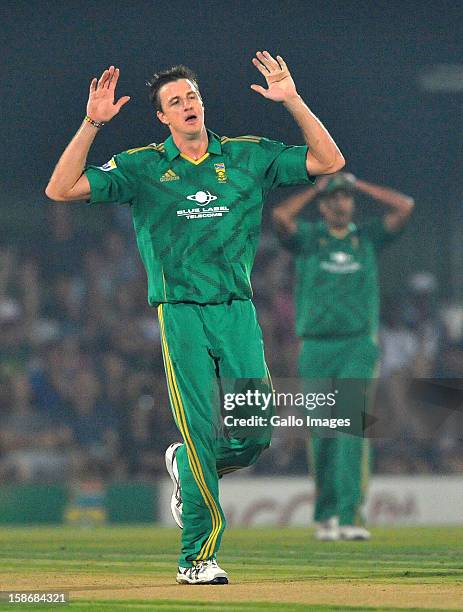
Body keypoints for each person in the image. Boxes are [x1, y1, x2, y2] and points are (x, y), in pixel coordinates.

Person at [45, 51, 345, 583]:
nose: (188, 106)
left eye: (193, 97)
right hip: (180, 314)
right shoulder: (143, 167)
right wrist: (92, 123)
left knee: (256, 434)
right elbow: (61, 189)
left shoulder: (247, 157)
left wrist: (293, 100)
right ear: (162, 116)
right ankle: (196, 560)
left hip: (237, 311)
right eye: (176, 101)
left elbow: (328, 163)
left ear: (203, 105)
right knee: (202, 431)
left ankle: (187, 466)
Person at [273, 173, 414, 541]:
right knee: (322, 432)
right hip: (316, 346)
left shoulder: (366, 237)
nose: (339, 203)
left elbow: (405, 206)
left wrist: (360, 184)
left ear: (352, 202)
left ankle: (349, 515)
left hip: (357, 345)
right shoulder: (309, 239)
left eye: (345, 198)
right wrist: (314, 189)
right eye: (332, 198)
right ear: (322, 205)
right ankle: (326, 517)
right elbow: (281, 218)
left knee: (350, 427)